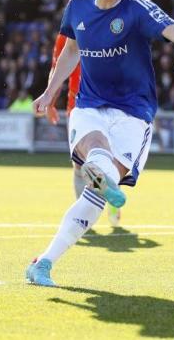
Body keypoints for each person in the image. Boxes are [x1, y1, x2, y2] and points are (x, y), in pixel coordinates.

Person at [26, 0, 174, 287]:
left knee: (94, 200)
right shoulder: (77, 5)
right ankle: (99, 170)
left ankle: (41, 263)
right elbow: (71, 51)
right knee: (94, 146)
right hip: (89, 103)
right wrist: (51, 90)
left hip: (134, 112)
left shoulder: (136, 8)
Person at [45, 30, 123, 226]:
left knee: (107, 157)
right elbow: (57, 68)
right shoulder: (68, 32)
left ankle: (109, 199)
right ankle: (85, 214)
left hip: (110, 104)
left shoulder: (113, 26)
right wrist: (50, 101)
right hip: (78, 105)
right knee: (81, 163)